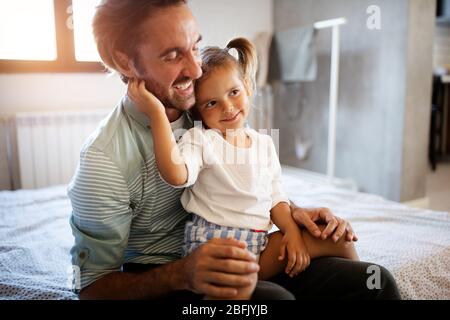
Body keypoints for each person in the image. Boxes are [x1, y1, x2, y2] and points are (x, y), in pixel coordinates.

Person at [68, 0, 401, 300]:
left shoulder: (202, 103)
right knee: (274, 302)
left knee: (375, 283)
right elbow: (92, 288)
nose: (196, 70)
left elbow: (244, 177)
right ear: (125, 61)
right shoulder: (103, 159)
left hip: (245, 247)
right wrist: (182, 274)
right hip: (171, 281)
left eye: (194, 47)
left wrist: (294, 214)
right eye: (172, 55)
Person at [127, 37, 360, 300]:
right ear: (199, 112)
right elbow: (175, 174)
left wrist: (292, 233)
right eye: (211, 103)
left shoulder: (264, 143)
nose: (227, 106)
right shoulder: (201, 139)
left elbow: (277, 200)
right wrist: (156, 113)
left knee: (340, 240)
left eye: (233, 92)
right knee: (258, 294)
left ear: (247, 87)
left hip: (259, 244)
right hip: (216, 249)